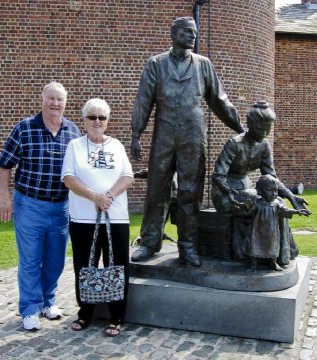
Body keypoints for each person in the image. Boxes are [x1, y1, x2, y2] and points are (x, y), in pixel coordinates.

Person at [130, 16, 245, 267]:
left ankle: (188, 246)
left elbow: (220, 100)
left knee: (190, 193)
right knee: (156, 189)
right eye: (186, 32)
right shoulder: (156, 64)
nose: (192, 35)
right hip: (164, 133)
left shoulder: (203, 65)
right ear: (173, 34)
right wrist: (136, 134)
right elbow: (143, 100)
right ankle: (150, 241)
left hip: (193, 135)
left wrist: (240, 128)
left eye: (194, 32)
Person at [0, 81, 81, 331]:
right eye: (51, 98)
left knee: (56, 260)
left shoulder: (72, 131)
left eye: (60, 99)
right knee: (31, 259)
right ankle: (30, 308)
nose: (55, 104)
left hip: (61, 207)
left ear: (65, 103)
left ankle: (48, 301)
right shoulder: (24, 128)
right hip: (29, 204)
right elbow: (4, 164)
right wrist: (5, 197)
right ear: (42, 99)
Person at [62, 98, 134, 337]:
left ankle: (117, 316)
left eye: (102, 117)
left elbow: (127, 176)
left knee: (117, 266)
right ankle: (85, 314)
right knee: (85, 266)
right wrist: (94, 197)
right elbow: (69, 178)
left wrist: (109, 196)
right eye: (92, 117)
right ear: (84, 120)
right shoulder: (75, 146)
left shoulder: (117, 146)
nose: (97, 121)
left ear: (107, 121)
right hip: (83, 219)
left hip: (116, 218)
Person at [211, 100, 310, 264]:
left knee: (276, 202)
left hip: (248, 190)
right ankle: (255, 255)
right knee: (264, 206)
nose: (264, 133)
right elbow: (218, 176)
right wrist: (230, 193)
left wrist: (291, 196)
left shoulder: (263, 145)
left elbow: (271, 177)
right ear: (249, 124)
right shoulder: (234, 144)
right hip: (225, 194)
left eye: (268, 129)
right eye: (260, 128)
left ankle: (280, 253)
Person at [244, 175, 309, 272]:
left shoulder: (276, 204)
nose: (274, 194)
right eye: (270, 190)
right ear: (261, 191)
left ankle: (273, 262)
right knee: (255, 247)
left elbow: (285, 210)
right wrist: (247, 207)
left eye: (276, 191)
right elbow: (248, 213)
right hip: (257, 231)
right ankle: (254, 265)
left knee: (273, 247)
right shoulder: (257, 203)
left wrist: (296, 211)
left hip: (272, 231)